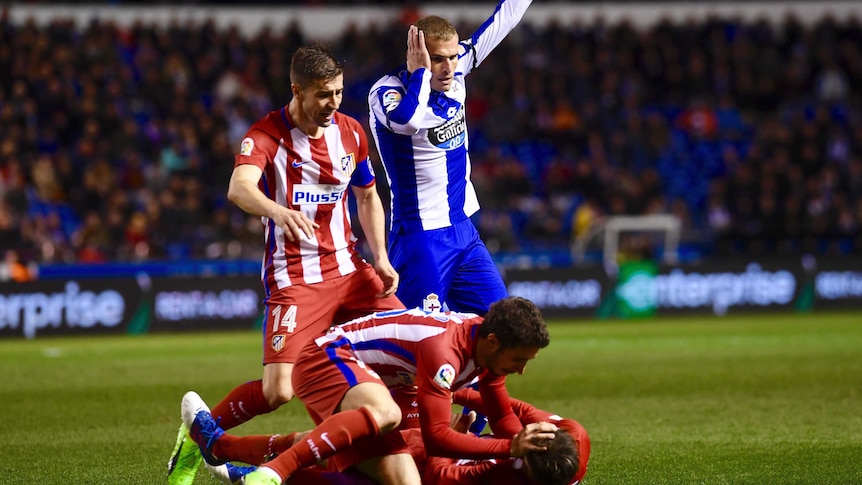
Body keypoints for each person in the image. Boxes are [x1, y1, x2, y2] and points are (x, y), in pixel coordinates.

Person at [167, 44, 405, 485]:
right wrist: (277, 211)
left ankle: (411, 444)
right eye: (323, 95)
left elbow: (368, 196)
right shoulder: (265, 135)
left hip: (352, 270)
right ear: (297, 91)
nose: (333, 104)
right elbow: (239, 189)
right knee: (279, 390)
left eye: (338, 92)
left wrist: (382, 257)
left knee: (408, 342)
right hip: (295, 278)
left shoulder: (351, 132)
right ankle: (197, 437)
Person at [182, 296, 558, 485]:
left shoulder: (486, 354)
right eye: (519, 359)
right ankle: (275, 472)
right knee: (385, 415)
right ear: (493, 342)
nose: (521, 370)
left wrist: (539, 458)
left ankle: (219, 446)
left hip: (370, 383)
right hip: (325, 358)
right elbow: (439, 436)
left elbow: (503, 415)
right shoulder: (445, 352)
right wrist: (510, 448)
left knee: (395, 475)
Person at [367, 0, 533, 315]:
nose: (449, 67)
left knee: (501, 326)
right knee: (418, 343)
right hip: (421, 237)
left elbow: (504, 19)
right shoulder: (387, 91)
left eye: (453, 57)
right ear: (416, 56)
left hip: (463, 229)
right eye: (437, 59)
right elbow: (407, 122)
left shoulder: (456, 74)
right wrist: (418, 75)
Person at [183, 387, 590, 485]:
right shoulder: (574, 435)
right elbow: (511, 407)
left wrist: (452, 440)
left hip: (438, 463)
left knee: (336, 451)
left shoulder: (510, 477)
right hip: (457, 447)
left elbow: (443, 476)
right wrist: (446, 393)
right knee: (335, 444)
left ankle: (224, 450)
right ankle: (227, 455)